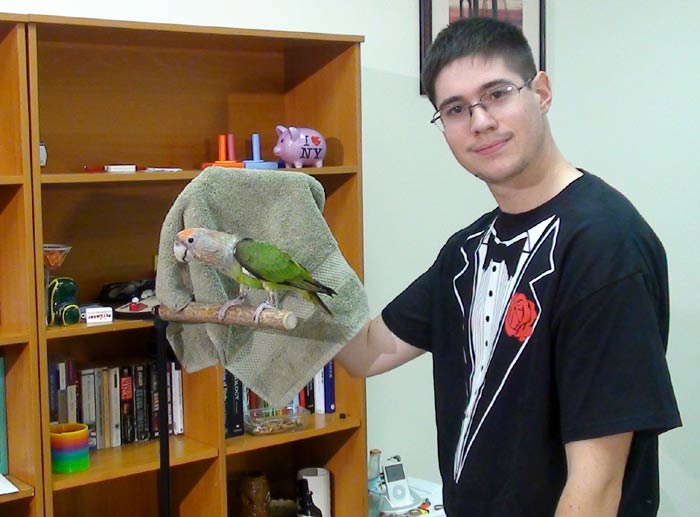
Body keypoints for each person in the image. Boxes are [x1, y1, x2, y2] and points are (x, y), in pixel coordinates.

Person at [336, 16, 681, 516]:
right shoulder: (466, 250)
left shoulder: (604, 245)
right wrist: (285, 277)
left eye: (497, 93)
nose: (480, 121)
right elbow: (366, 353)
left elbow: (597, 487)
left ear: (540, 92)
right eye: (455, 109)